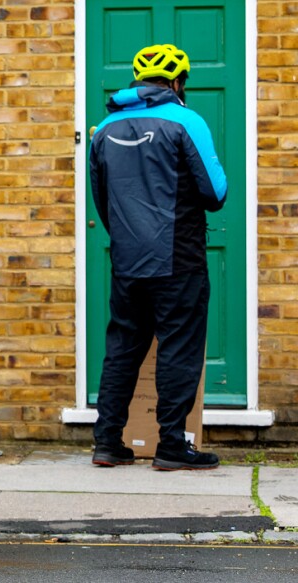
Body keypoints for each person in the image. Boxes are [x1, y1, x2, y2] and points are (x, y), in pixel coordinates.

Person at [88, 43, 228, 471]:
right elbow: (215, 193)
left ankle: (108, 443)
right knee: (178, 345)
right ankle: (171, 446)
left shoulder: (104, 128)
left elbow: (102, 199)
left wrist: (129, 237)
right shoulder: (186, 120)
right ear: (178, 82)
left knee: (123, 346)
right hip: (177, 258)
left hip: (127, 259)